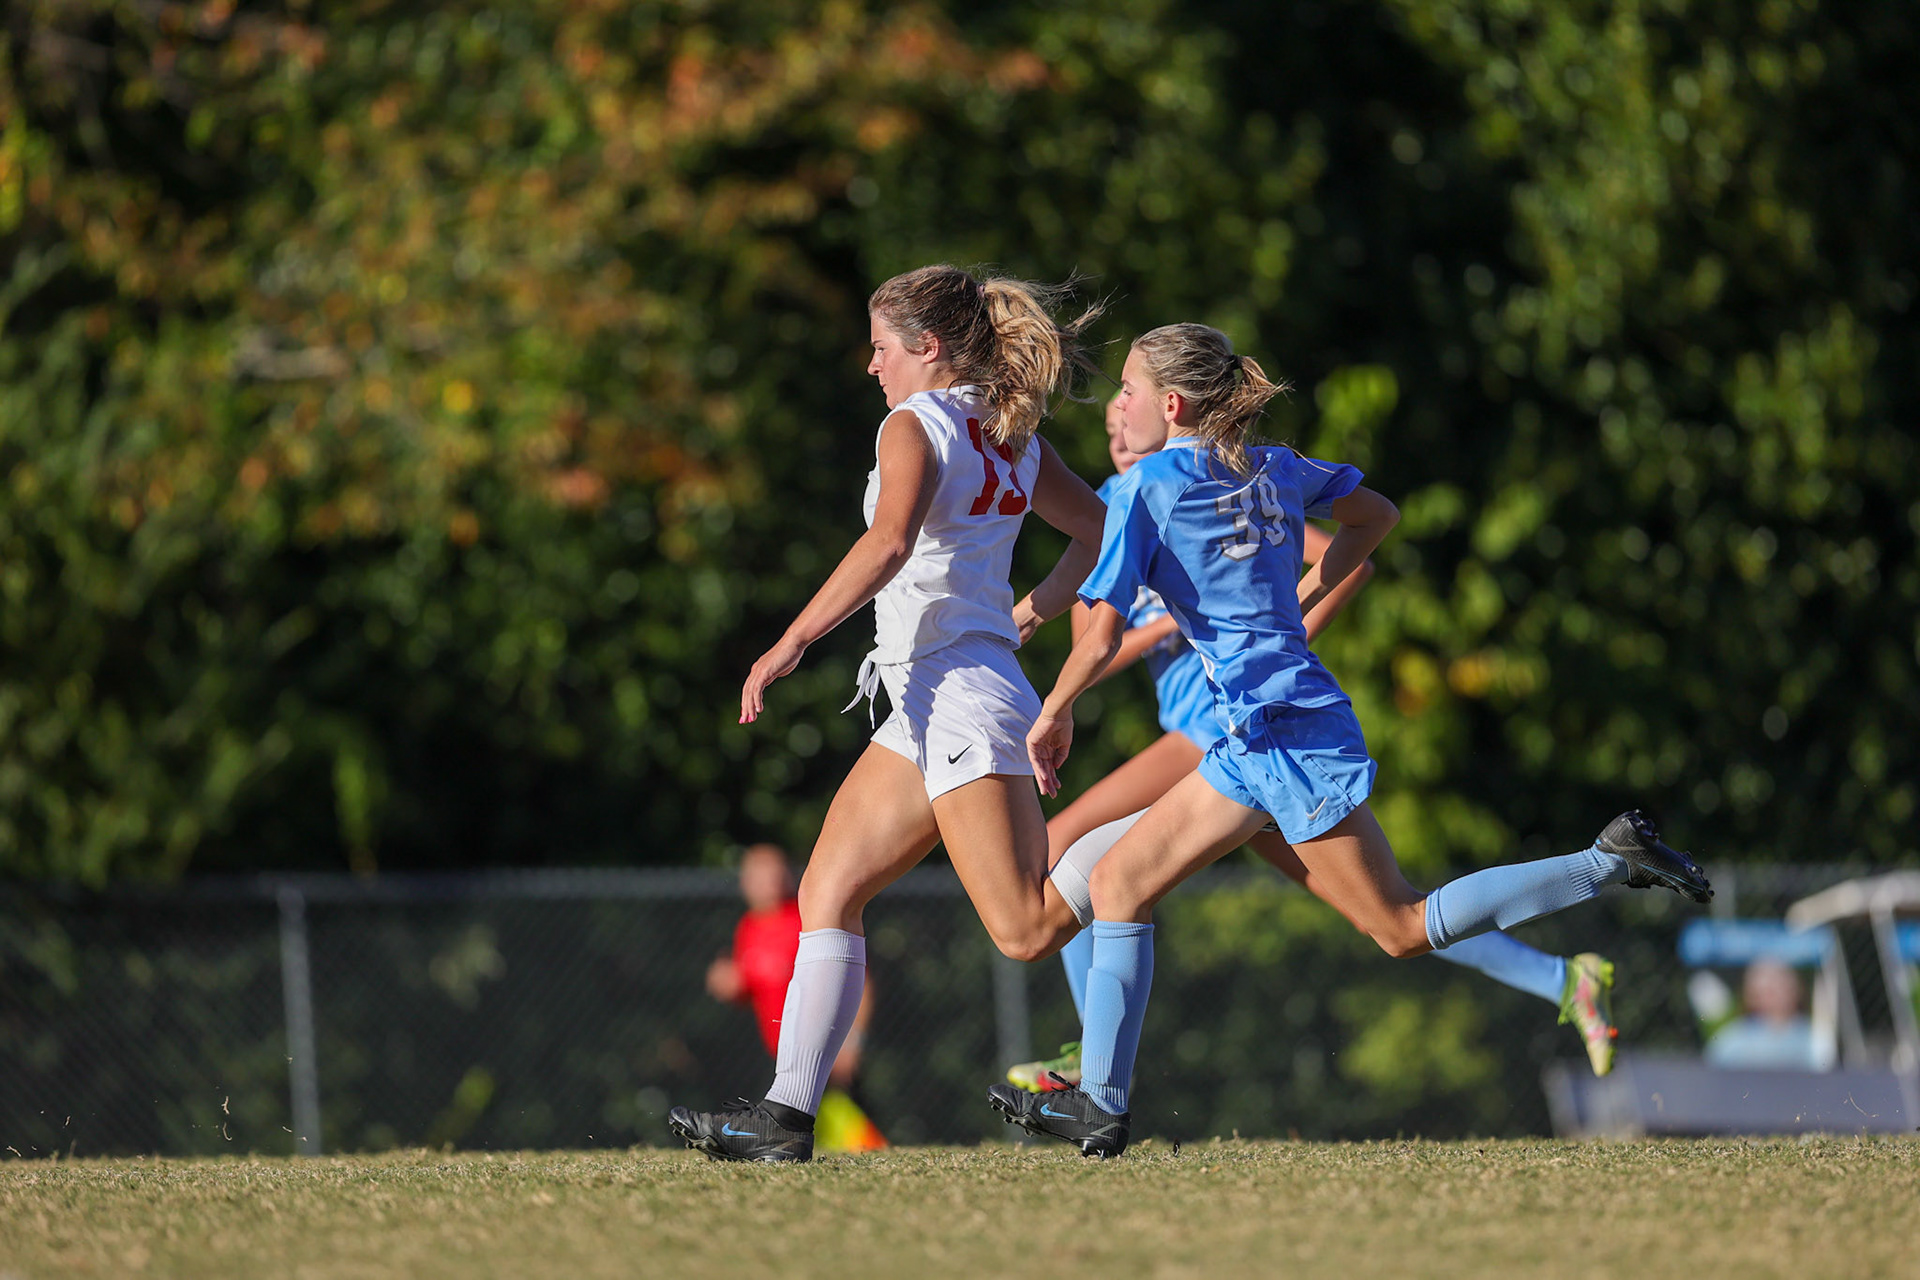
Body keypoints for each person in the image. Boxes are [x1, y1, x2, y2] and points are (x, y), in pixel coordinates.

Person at [988, 323, 1712, 1157]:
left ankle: (1610, 861)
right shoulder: (1275, 467)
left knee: (1400, 927)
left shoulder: (1149, 486)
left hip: (1282, 741)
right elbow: (1376, 519)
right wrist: (1298, 602)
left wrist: (1053, 710)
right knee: (1117, 882)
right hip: (1261, 735)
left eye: (1128, 389)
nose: (1119, 403)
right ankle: (1102, 1107)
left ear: (1173, 404)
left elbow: (1102, 631)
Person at [1005, 404, 1619, 1092]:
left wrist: (1274, 632)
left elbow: (1350, 565)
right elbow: (1094, 648)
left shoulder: (1211, 490)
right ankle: (1562, 977)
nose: (1117, 431)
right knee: (1384, 917)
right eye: (1110, 423)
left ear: (1168, 410)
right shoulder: (1120, 511)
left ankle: (1093, 1059)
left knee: (1065, 847)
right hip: (1236, 741)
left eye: (1129, 408)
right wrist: (1164, 623)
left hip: (1219, 728)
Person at [668, 265, 1110, 1162]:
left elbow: (889, 540)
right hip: (930, 691)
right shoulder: (1005, 425)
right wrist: (1028, 612)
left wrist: (793, 639)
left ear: (928, 347)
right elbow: (1100, 532)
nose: (871, 366)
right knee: (825, 893)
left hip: (957, 694)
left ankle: (1157, 833)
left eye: (880, 347)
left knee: (1023, 930)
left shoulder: (915, 421)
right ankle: (786, 1119)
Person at [705, 844, 886, 1151]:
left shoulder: (804, 920)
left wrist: (851, 1040)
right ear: (745, 883)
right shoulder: (748, 928)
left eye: (776, 872)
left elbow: (860, 981)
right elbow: (753, 988)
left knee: (856, 1133)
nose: (771, 881)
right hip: (780, 1055)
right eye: (760, 875)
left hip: (824, 1051)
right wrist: (731, 984)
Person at [1703, 957, 1827, 1071]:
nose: (1774, 997)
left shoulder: (1815, 1035)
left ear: (1796, 990)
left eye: (1779, 987)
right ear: (1751, 996)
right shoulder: (1734, 1038)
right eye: (1766, 991)